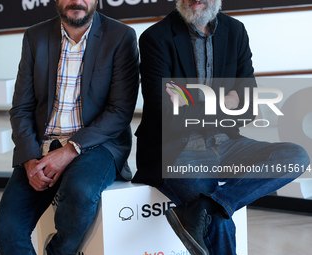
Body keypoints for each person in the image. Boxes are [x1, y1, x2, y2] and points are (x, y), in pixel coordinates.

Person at [132, 0, 310, 254]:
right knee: (219, 218)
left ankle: (206, 206)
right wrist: (224, 101)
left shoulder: (235, 31)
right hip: (177, 150)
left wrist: (190, 102)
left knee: (296, 156)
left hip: (227, 143)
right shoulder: (156, 38)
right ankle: (210, 207)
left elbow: (248, 106)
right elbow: (168, 117)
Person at [0, 0, 139, 254]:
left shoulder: (121, 36)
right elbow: (21, 108)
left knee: (80, 192)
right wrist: (29, 159)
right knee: (7, 229)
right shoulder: (35, 37)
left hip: (96, 144)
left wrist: (70, 150)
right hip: (42, 146)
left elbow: (120, 112)